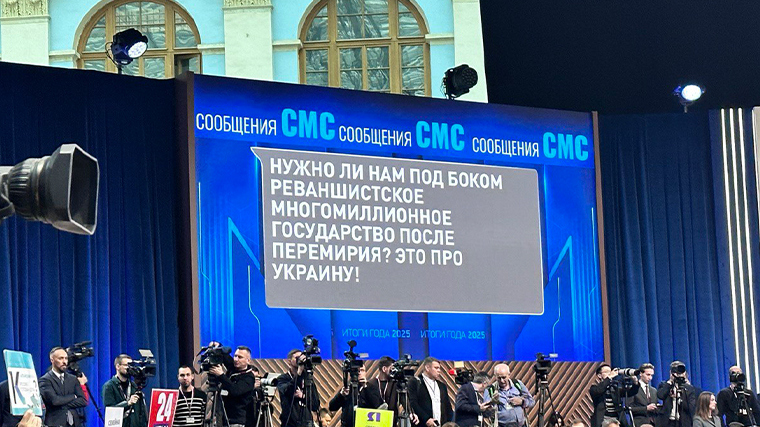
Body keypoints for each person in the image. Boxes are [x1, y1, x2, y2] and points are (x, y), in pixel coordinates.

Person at [39, 347, 88, 427]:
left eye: (66, 358)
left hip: (75, 423)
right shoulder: (45, 380)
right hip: (55, 423)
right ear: (52, 360)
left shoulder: (73, 379)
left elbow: (83, 401)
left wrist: (62, 404)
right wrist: (73, 396)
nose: (64, 361)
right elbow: (55, 401)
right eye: (61, 358)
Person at [208, 346, 256, 427]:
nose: (236, 359)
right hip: (224, 417)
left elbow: (235, 390)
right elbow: (225, 356)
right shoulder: (233, 368)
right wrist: (217, 347)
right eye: (235, 356)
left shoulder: (249, 378)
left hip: (237, 420)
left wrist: (221, 375)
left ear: (248, 361)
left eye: (240, 357)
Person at [329, 362, 382, 427]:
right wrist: (341, 395)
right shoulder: (347, 389)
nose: (359, 373)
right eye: (357, 370)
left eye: (362, 370)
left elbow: (377, 406)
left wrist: (365, 387)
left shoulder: (371, 388)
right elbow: (332, 407)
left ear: (365, 373)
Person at [102, 354, 147, 427]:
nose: (129, 368)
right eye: (126, 365)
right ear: (118, 366)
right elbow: (110, 411)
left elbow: (140, 413)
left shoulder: (133, 385)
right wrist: (127, 403)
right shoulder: (109, 386)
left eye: (131, 365)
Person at [277, 349, 320, 427]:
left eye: (302, 358)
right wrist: (299, 372)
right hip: (290, 423)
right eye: (297, 358)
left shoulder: (308, 379)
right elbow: (287, 390)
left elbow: (315, 405)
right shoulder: (282, 379)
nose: (300, 360)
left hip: (306, 423)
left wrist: (303, 396)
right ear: (289, 361)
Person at [409, 357, 452, 427]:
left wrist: (448, 424)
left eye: (439, 368)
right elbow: (413, 403)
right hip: (422, 424)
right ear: (427, 368)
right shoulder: (415, 382)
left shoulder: (442, 386)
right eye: (436, 368)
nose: (439, 370)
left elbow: (447, 407)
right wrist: (426, 419)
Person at [656, 361, 697, 427]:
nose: (678, 374)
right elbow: (660, 395)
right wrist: (669, 383)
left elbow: (691, 407)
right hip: (668, 422)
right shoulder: (665, 385)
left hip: (683, 422)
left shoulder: (689, 388)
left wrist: (679, 398)